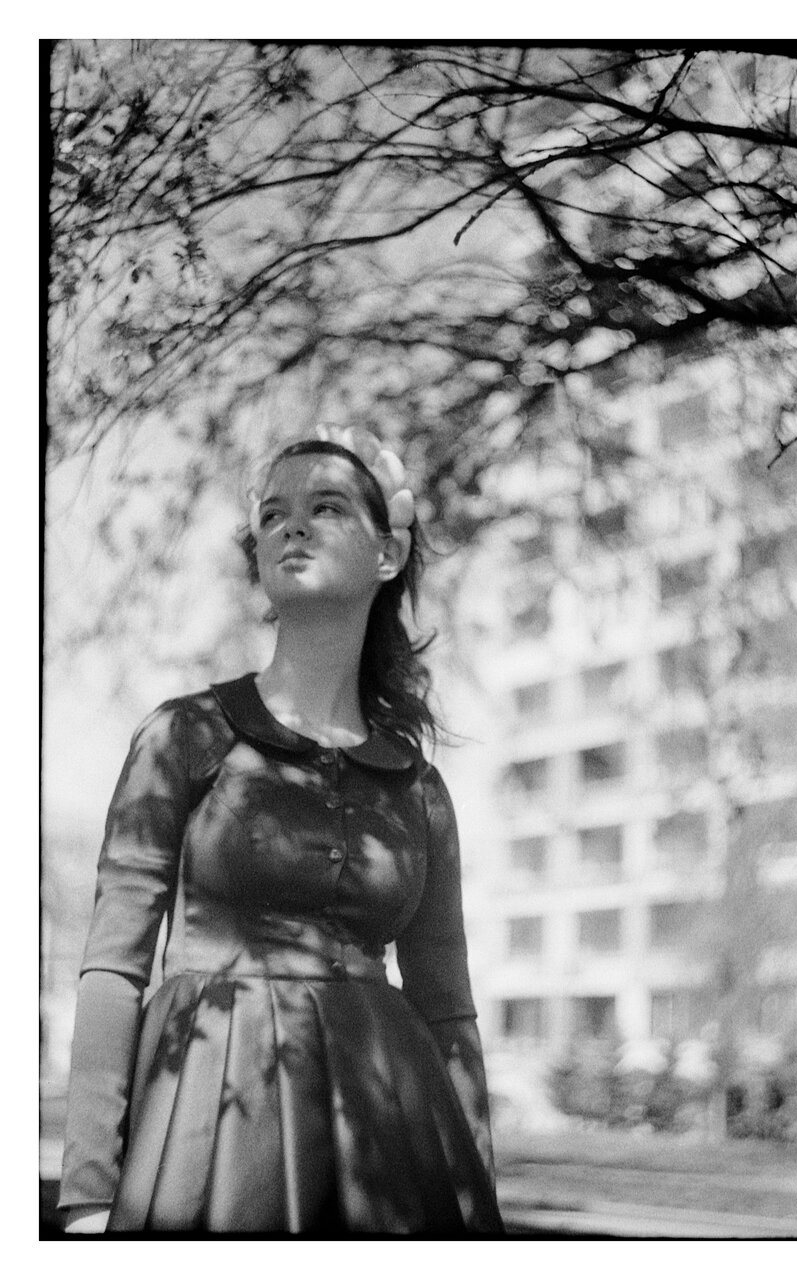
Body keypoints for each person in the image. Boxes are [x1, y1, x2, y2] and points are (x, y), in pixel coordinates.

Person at [57, 425, 504, 1236]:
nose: (292, 525)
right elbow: (113, 968)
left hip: (391, 1135)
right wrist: (89, 1192)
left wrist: (479, 1201)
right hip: (207, 1121)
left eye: (326, 506)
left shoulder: (419, 790)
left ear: (387, 553)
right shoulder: (184, 736)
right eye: (272, 513)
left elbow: (448, 1009)